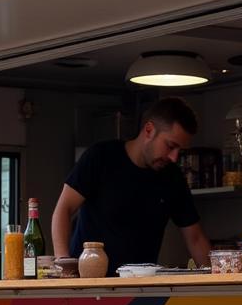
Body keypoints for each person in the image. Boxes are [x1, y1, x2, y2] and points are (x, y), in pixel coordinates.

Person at [52, 97, 212, 276]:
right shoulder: (101, 157)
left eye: (179, 151)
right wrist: (63, 266)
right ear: (149, 130)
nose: (174, 157)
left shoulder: (172, 177)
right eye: (170, 146)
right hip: (89, 283)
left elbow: (195, 238)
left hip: (140, 289)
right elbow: (63, 209)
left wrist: (219, 282)